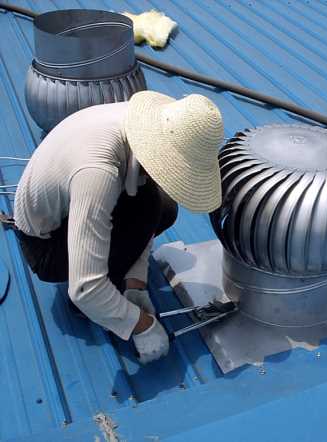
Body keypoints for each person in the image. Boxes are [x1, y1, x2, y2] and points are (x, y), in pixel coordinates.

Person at [13, 91, 224, 364]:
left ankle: (118, 284)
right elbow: (84, 289)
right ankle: (98, 305)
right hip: (45, 245)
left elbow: (147, 213)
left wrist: (136, 282)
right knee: (149, 205)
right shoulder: (98, 172)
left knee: (162, 206)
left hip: (73, 204)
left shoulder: (149, 123)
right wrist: (140, 325)